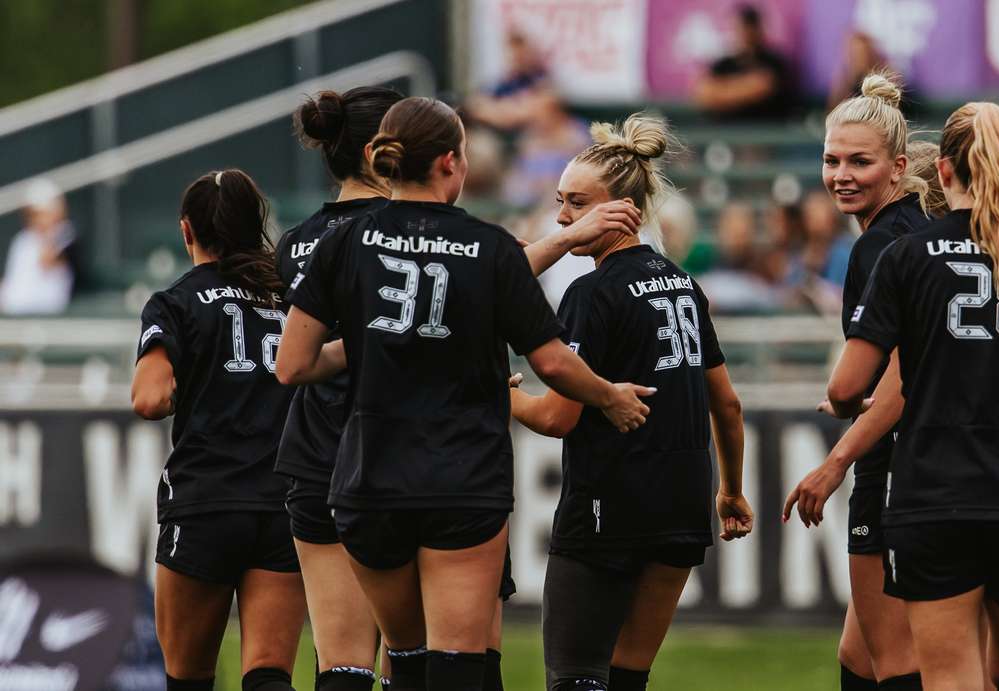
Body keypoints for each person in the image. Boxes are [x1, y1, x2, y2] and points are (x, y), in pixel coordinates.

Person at [275, 96, 654, 691]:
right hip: (462, 475)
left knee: (404, 661)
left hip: (369, 475)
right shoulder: (490, 247)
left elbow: (292, 366)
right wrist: (608, 395)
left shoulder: (342, 243)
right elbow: (553, 363)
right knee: (458, 665)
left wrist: (375, 337)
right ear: (452, 162)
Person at [827, 102, 999, 691]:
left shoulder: (906, 256)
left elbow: (847, 387)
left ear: (941, 172)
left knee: (948, 677)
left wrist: (854, 408)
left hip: (937, 494)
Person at [509, 113, 754, 691]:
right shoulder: (683, 285)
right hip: (682, 508)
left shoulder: (590, 293)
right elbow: (728, 406)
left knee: (575, 678)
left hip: (609, 506)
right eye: (560, 202)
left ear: (623, 210)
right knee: (627, 680)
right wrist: (731, 491)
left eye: (576, 204)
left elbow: (557, 417)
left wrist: (500, 400)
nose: (562, 218)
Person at [783, 72, 933, 691]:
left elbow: (896, 377)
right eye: (831, 160)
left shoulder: (882, 247)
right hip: (934, 459)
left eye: (859, 162)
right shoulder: (915, 228)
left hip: (895, 462)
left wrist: (837, 456)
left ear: (898, 169)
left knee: (897, 664)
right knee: (860, 659)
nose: (841, 174)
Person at [131, 169, 304, 691]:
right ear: (257, 226)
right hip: (285, 500)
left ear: (187, 231)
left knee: (188, 678)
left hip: (205, 501)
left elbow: (149, 398)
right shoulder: (293, 300)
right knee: (269, 674)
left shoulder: (176, 302)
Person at [274, 86, 402, 691]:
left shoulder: (298, 240)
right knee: (433, 658)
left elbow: (293, 358)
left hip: (317, 452)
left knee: (341, 664)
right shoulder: (412, 235)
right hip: (405, 451)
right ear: (384, 153)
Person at [693, 4, 793, 121]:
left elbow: (760, 88)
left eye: (746, 28)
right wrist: (738, 88)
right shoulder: (723, 63)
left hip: (765, 131)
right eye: (737, 28)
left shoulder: (773, 62)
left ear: (757, 29)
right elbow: (703, 93)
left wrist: (722, 91)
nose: (741, 34)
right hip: (724, 131)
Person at [0, 178, 78, 314]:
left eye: (40, 213)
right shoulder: (23, 239)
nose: (36, 219)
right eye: (32, 214)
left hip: (46, 316)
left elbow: (48, 260)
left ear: (58, 212)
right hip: (14, 315)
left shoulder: (66, 235)